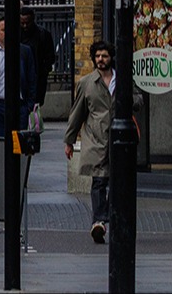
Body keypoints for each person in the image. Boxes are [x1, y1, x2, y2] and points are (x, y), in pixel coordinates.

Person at [65, 40, 116, 244]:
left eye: (104, 56)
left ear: (111, 57)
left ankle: (107, 217)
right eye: (97, 56)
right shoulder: (87, 83)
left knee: (117, 182)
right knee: (99, 180)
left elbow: (137, 100)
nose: (100, 60)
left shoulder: (120, 80)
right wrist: (69, 140)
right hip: (95, 137)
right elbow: (77, 113)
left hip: (118, 138)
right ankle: (99, 222)